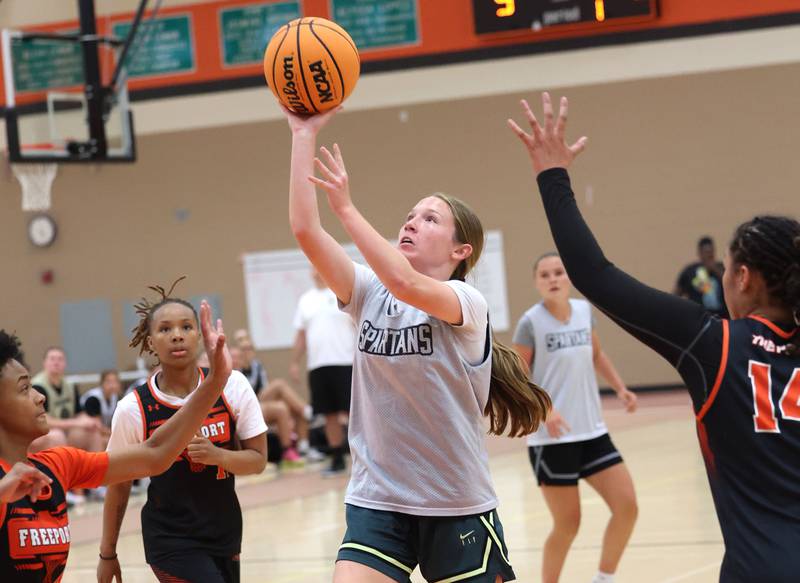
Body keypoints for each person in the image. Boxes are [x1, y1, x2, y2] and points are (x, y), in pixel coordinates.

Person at [509, 92, 800, 583]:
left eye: (727, 271)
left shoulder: (714, 344)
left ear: (744, 278)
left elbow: (594, 274)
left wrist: (552, 175)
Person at [285, 105, 552, 583]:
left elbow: (406, 284)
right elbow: (306, 231)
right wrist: (302, 134)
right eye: (410, 216)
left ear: (460, 250)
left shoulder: (466, 303)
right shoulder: (366, 291)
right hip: (378, 499)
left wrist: (346, 207)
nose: (411, 223)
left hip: (456, 502)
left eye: (429, 219)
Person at [0, 300, 233, 583]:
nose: (40, 396)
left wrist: (215, 381)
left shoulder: (57, 466)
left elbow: (155, 454)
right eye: (24, 389)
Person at [97, 283, 268, 583]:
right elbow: (118, 485)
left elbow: (257, 461)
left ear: (199, 336)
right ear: (150, 343)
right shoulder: (133, 408)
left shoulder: (233, 386)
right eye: (165, 329)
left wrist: (217, 456)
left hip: (225, 532)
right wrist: (107, 554)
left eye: (186, 327)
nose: (176, 334)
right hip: (169, 539)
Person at [512, 252, 638, 583]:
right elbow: (517, 379)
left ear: (568, 278)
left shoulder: (584, 312)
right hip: (552, 440)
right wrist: (546, 409)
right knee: (568, 524)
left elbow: (596, 354)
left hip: (593, 433)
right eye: (545, 275)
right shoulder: (530, 322)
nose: (553, 279)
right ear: (536, 282)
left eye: (558, 272)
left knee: (627, 507)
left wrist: (621, 388)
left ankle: (604, 578)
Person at [290, 268, 356, 475]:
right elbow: (301, 335)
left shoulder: (342, 293)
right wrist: (294, 361)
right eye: (313, 268)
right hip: (318, 365)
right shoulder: (305, 301)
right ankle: (337, 458)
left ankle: (364, 457)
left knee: (354, 412)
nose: (317, 271)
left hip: (346, 361)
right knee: (329, 415)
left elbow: (358, 325)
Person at [29, 347, 105, 457]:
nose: (56, 362)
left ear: (65, 364)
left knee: (92, 432)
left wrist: (89, 421)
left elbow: (78, 413)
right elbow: (44, 420)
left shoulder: (70, 386)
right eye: (52, 359)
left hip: (65, 431)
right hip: (41, 434)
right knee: (57, 436)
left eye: (60, 359)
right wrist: (77, 423)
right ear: (44, 363)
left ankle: (98, 470)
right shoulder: (37, 386)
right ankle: (64, 473)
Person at [674, 236, 728, 317]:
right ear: (700, 253)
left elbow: (731, 286)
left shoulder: (722, 269)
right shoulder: (690, 272)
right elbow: (677, 294)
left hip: (720, 317)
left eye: (711, 252)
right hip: (698, 317)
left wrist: (715, 270)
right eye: (706, 252)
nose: (709, 255)